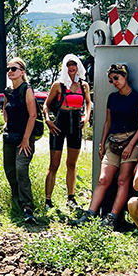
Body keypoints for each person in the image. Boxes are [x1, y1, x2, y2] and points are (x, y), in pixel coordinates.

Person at [70, 64, 138, 230]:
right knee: (103, 179)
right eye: (111, 80)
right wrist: (102, 143)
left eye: (117, 78)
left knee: (122, 179)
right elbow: (108, 122)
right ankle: (90, 214)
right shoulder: (112, 97)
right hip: (113, 140)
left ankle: (112, 217)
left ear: (125, 76)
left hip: (133, 140)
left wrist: (131, 144)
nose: (114, 82)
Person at [43, 54, 91, 209]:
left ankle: (71, 198)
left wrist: (87, 117)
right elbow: (46, 104)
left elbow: (89, 103)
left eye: (74, 64)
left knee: (72, 163)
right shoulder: (59, 85)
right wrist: (48, 120)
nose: (71, 67)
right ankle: (48, 200)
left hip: (76, 124)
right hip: (60, 123)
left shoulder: (84, 86)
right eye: (69, 64)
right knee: (54, 165)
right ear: (65, 67)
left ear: (78, 66)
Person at [3, 58, 38, 223]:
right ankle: (16, 200)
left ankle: (27, 206)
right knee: (9, 169)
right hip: (10, 136)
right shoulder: (8, 91)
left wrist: (25, 140)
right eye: (8, 68)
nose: (10, 71)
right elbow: (6, 109)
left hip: (25, 138)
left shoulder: (27, 89)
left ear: (22, 72)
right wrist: (5, 124)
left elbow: (33, 115)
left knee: (20, 168)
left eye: (14, 69)